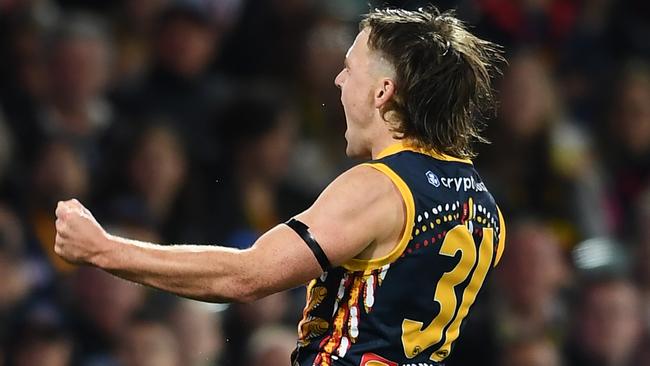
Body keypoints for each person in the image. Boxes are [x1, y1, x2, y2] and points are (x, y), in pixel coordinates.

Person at [53, 7, 506, 366]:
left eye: (350, 68)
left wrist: (103, 249)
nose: (338, 80)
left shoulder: (380, 187)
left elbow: (246, 276)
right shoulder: (484, 207)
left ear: (383, 91)